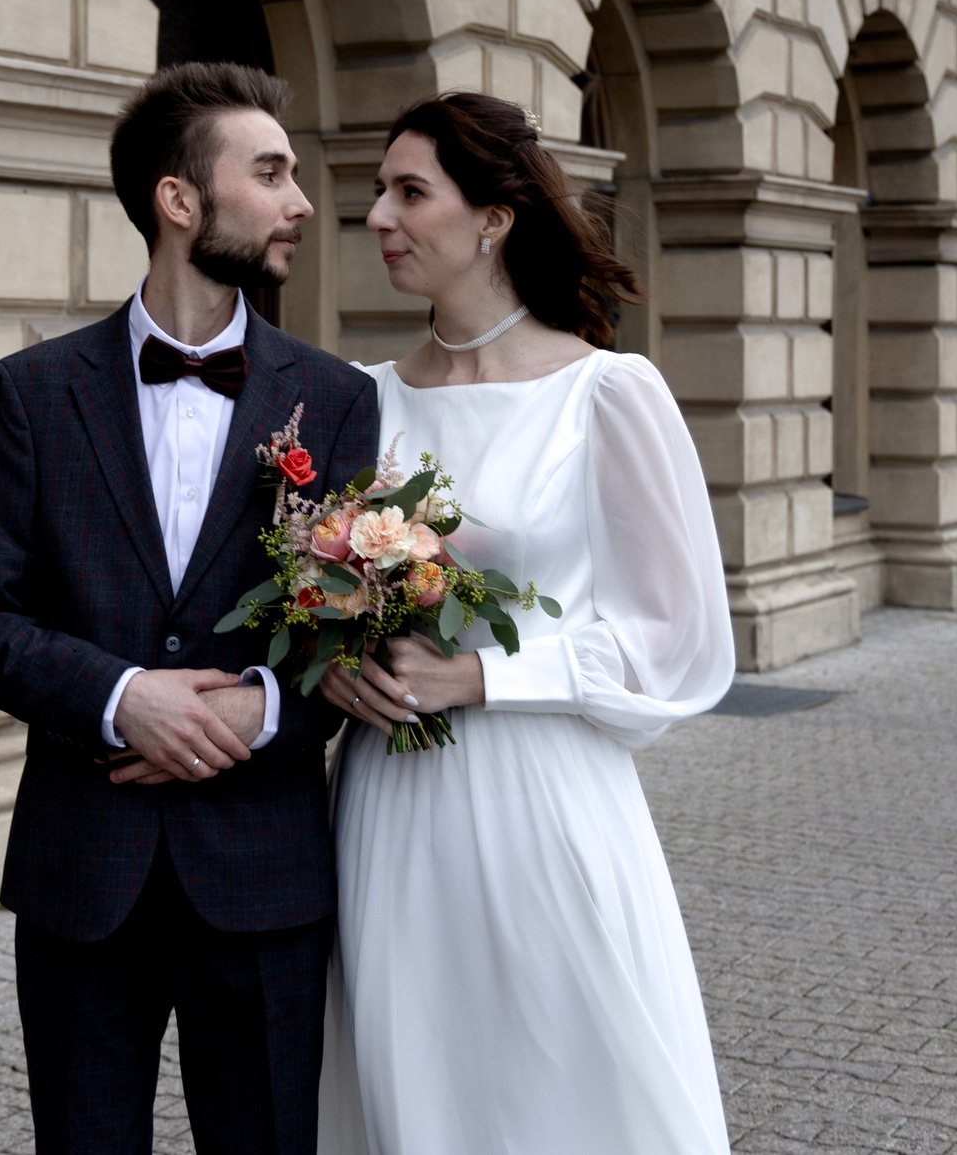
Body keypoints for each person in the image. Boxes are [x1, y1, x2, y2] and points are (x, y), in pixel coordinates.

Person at [0, 62, 380, 1155]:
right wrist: (121, 696)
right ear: (179, 201)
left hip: (265, 875)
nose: (301, 205)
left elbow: (353, 621)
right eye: (270, 174)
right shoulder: (32, 392)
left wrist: (264, 710)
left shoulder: (334, 398)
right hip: (83, 873)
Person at [319, 91, 736, 1155]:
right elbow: (316, 595)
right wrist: (331, 662)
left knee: (559, 1076)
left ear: (494, 216)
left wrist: (483, 679)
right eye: (377, 192)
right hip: (386, 801)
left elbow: (676, 641)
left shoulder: (606, 392)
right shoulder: (359, 400)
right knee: (405, 1074)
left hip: (540, 797)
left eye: (409, 192)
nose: (377, 216)